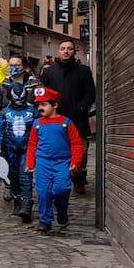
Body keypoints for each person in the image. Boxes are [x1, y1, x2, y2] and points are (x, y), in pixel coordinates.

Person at [39, 38, 96, 194]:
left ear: (74, 51)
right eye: (63, 48)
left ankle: (78, 178)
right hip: (55, 119)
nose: (66, 51)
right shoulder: (49, 72)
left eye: (69, 49)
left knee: (82, 150)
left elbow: (91, 92)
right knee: (56, 149)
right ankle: (58, 178)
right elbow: (42, 94)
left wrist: (83, 106)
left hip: (78, 118)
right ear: (58, 51)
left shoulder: (84, 70)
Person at [26, 85, 84, 234]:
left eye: (44, 104)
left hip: (62, 162)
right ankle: (45, 221)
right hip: (43, 162)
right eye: (38, 104)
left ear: (55, 105)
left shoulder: (66, 122)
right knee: (43, 192)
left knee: (62, 189)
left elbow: (76, 143)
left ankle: (62, 209)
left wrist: (75, 162)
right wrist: (30, 163)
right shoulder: (37, 124)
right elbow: (32, 144)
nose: (40, 107)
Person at [0, 81, 36, 223]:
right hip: (9, 149)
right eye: (16, 98)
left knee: (25, 175)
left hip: (27, 148)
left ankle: (26, 204)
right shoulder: (4, 113)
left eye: (21, 98)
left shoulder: (32, 112)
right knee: (13, 176)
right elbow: (0, 130)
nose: (19, 101)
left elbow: (38, 131)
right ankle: (18, 202)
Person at [0, 55, 40, 122]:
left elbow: (42, 107)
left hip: (30, 124)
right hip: (7, 125)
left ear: (24, 67)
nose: (13, 68)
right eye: (11, 65)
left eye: (17, 65)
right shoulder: (2, 86)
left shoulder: (35, 85)